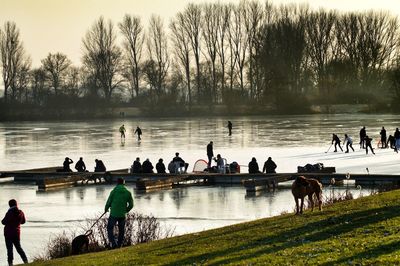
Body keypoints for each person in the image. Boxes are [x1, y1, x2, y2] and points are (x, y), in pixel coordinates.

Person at [104, 178, 133, 249]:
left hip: (114, 213)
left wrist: (106, 209)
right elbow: (131, 204)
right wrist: (126, 210)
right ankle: (119, 244)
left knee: (110, 228)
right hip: (122, 215)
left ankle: (113, 244)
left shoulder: (113, 192)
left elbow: (108, 202)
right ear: (124, 183)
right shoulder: (128, 192)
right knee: (121, 230)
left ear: (117, 183)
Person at [2, 199, 28, 265]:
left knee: (9, 249)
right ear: (16, 204)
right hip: (16, 233)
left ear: (9, 205)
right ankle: (26, 261)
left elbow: (3, 222)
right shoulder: (21, 212)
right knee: (19, 248)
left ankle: (10, 263)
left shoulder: (9, 213)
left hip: (8, 233)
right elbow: (23, 221)